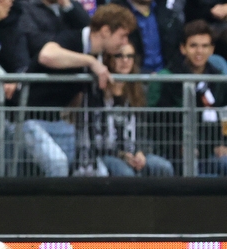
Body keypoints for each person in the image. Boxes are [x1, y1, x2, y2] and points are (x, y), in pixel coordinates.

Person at [23, 4, 137, 176]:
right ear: (105, 31)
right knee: (58, 165)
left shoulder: (99, 55)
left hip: (59, 123)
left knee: (88, 173)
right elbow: (46, 55)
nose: (125, 43)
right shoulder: (73, 38)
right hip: (27, 120)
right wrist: (89, 61)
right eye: (122, 36)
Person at [87, 42, 174, 175]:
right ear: (109, 59)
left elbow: (143, 131)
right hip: (106, 154)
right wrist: (121, 155)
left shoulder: (138, 91)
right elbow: (93, 135)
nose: (125, 60)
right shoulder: (97, 92)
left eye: (129, 56)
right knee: (126, 174)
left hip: (134, 152)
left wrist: (140, 152)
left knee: (164, 167)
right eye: (119, 56)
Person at [156, 19, 227, 174]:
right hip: (176, 153)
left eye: (204, 46)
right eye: (193, 45)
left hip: (213, 150)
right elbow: (159, 122)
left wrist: (224, 144)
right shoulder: (169, 79)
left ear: (212, 49)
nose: (199, 51)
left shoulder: (219, 79)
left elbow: (225, 115)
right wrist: (177, 147)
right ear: (183, 48)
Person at [18, 0, 90, 60]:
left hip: (75, 63)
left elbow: (88, 33)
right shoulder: (26, 7)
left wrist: (68, 7)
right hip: (42, 64)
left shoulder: (72, 6)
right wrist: (70, 43)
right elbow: (34, 39)